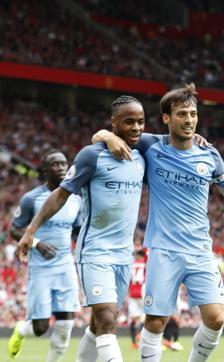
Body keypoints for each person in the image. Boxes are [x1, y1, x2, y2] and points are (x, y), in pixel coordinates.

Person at [93, 83, 224, 362]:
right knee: (154, 323)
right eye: (182, 114)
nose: (189, 120)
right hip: (164, 250)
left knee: (216, 318)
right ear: (166, 118)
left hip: (200, 250)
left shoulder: (209, 154)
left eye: (193, 114)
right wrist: (107, 136)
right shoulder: (151, 145)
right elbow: (105, 135)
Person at [16, 95, 147, 362]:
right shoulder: (92, 156)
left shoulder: (144, 153)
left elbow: (175, 141)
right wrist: (31, 231)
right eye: (129, 121)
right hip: (95, 252)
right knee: (107, 319)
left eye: (141, 122)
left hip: (124, 254)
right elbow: (60, 195)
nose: (136, 127)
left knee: (98, 325)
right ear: (114, 123)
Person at [8, 150, 83, 361]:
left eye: (63, 163)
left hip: (66, 266)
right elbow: (15, 230)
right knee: (40, 327)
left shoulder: (75, 199)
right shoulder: (31, 198)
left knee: (65, 322)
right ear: (45, 170)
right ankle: (22, 330)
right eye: (55, 164)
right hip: (40, 268)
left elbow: (77, 230)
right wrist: (37, 243)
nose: (60, 168)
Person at [129, 248, 147, 349]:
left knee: (134, 318)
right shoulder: (145, 264)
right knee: (145, 316)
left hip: (133, 292)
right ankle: (139, 334)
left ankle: (133, 342)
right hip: (142, 292)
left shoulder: (132, 264)